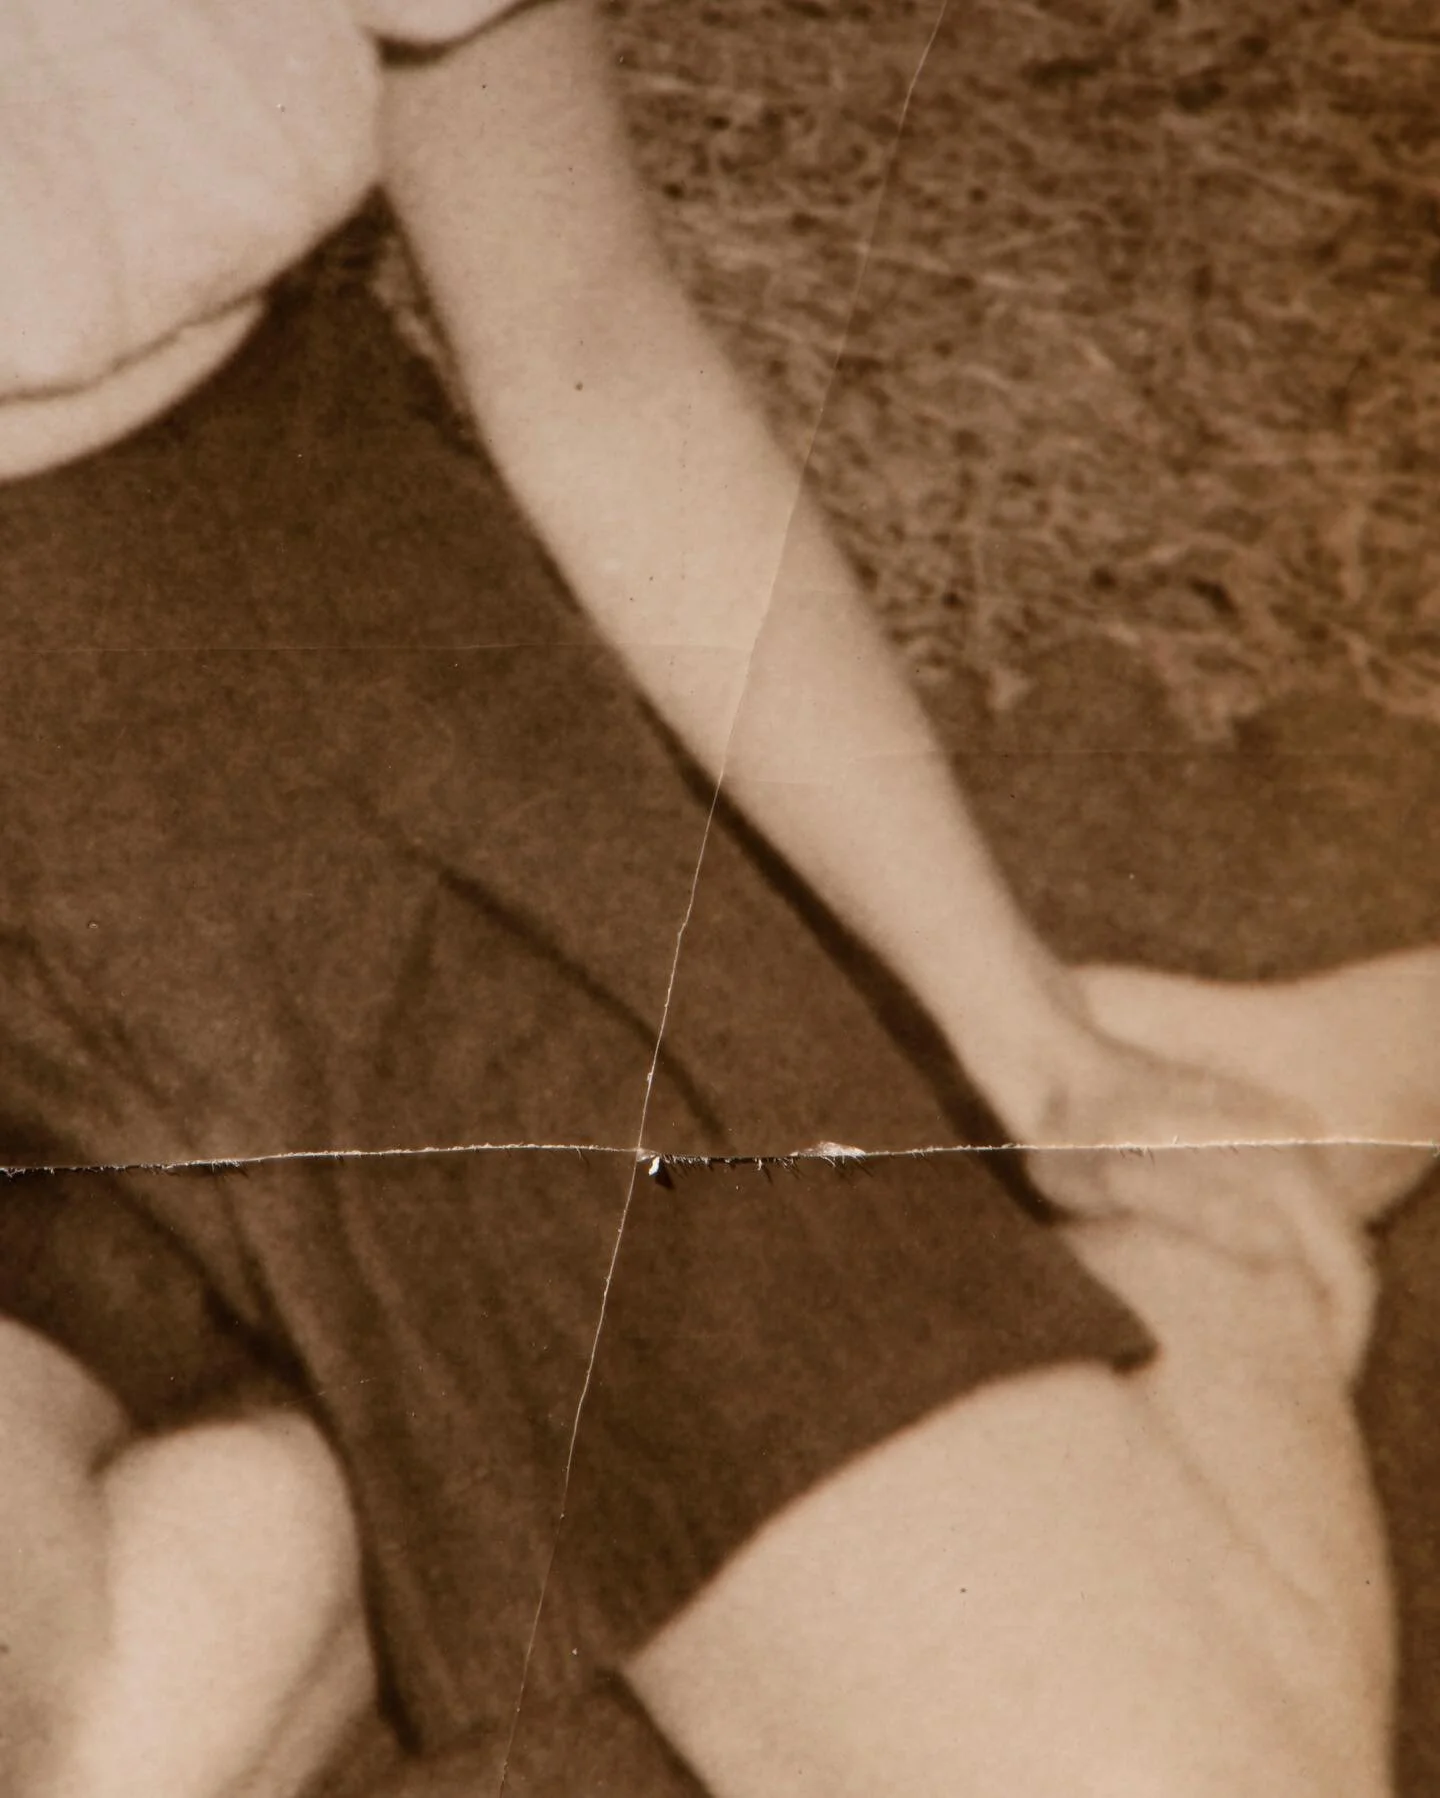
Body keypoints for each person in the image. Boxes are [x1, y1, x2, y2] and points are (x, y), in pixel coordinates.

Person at [0, 2, 1423, 1794]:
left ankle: (1210, 1194)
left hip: (302, 770)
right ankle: (350, 1457)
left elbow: (586, 344)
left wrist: (1032, 1042)